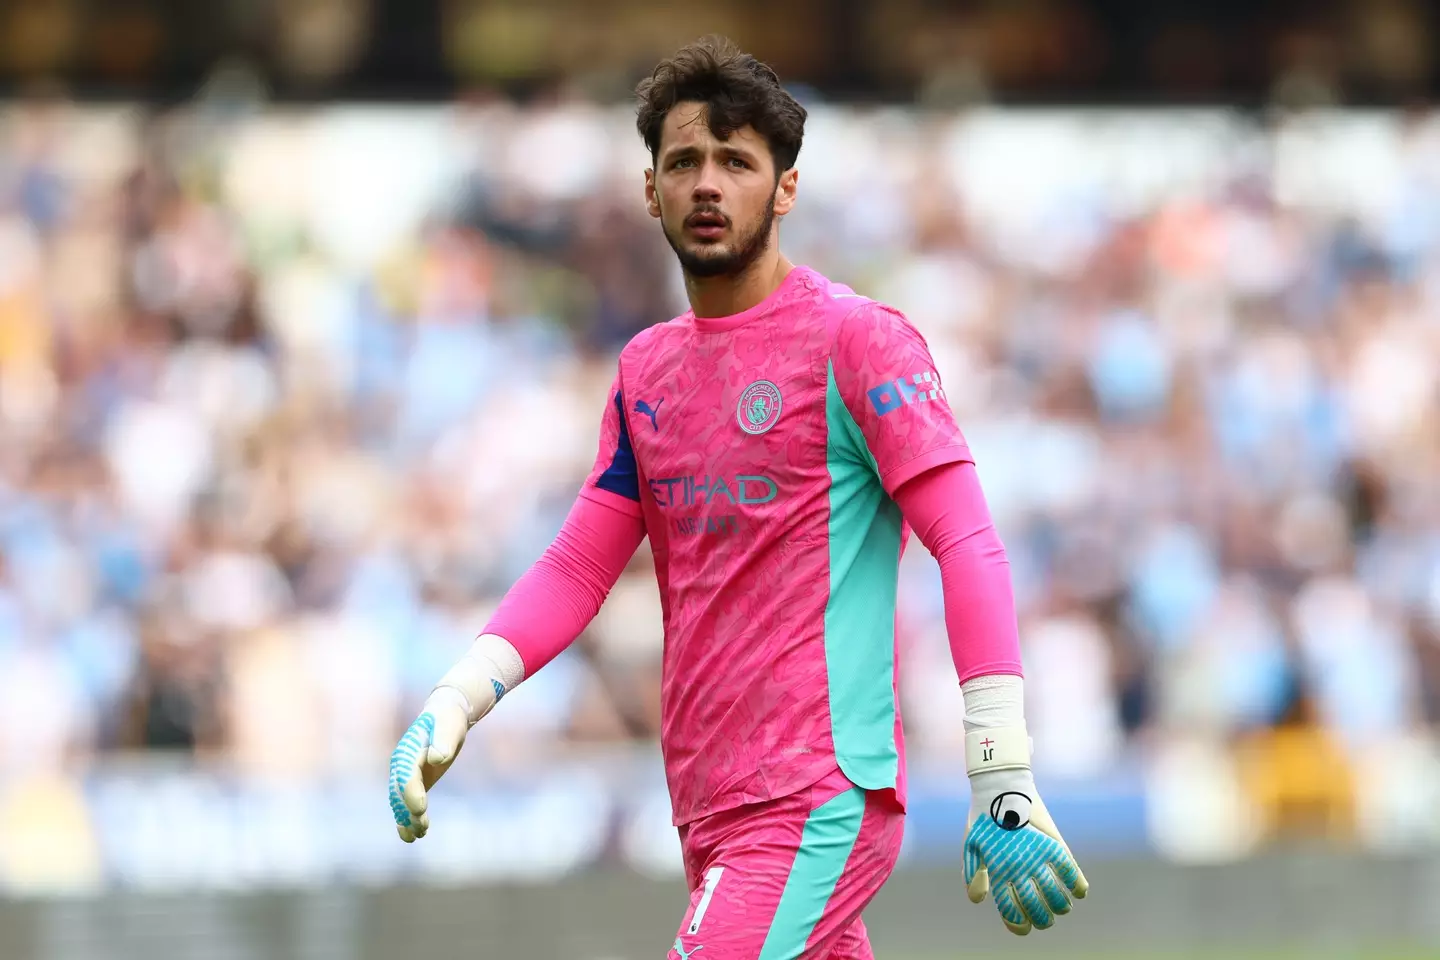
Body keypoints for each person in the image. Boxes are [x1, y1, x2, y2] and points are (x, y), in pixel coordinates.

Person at [387, 35, 1087, 958]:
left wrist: (1000, 767)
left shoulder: (858, 342)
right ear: (651, 191)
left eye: (736, 162)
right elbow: (577, 566)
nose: (707, 184)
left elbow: (968, 544)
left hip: (816, 796)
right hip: (707, 808)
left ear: (784, 189)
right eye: (684, 162)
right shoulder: (646, 370)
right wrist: (455, 697)